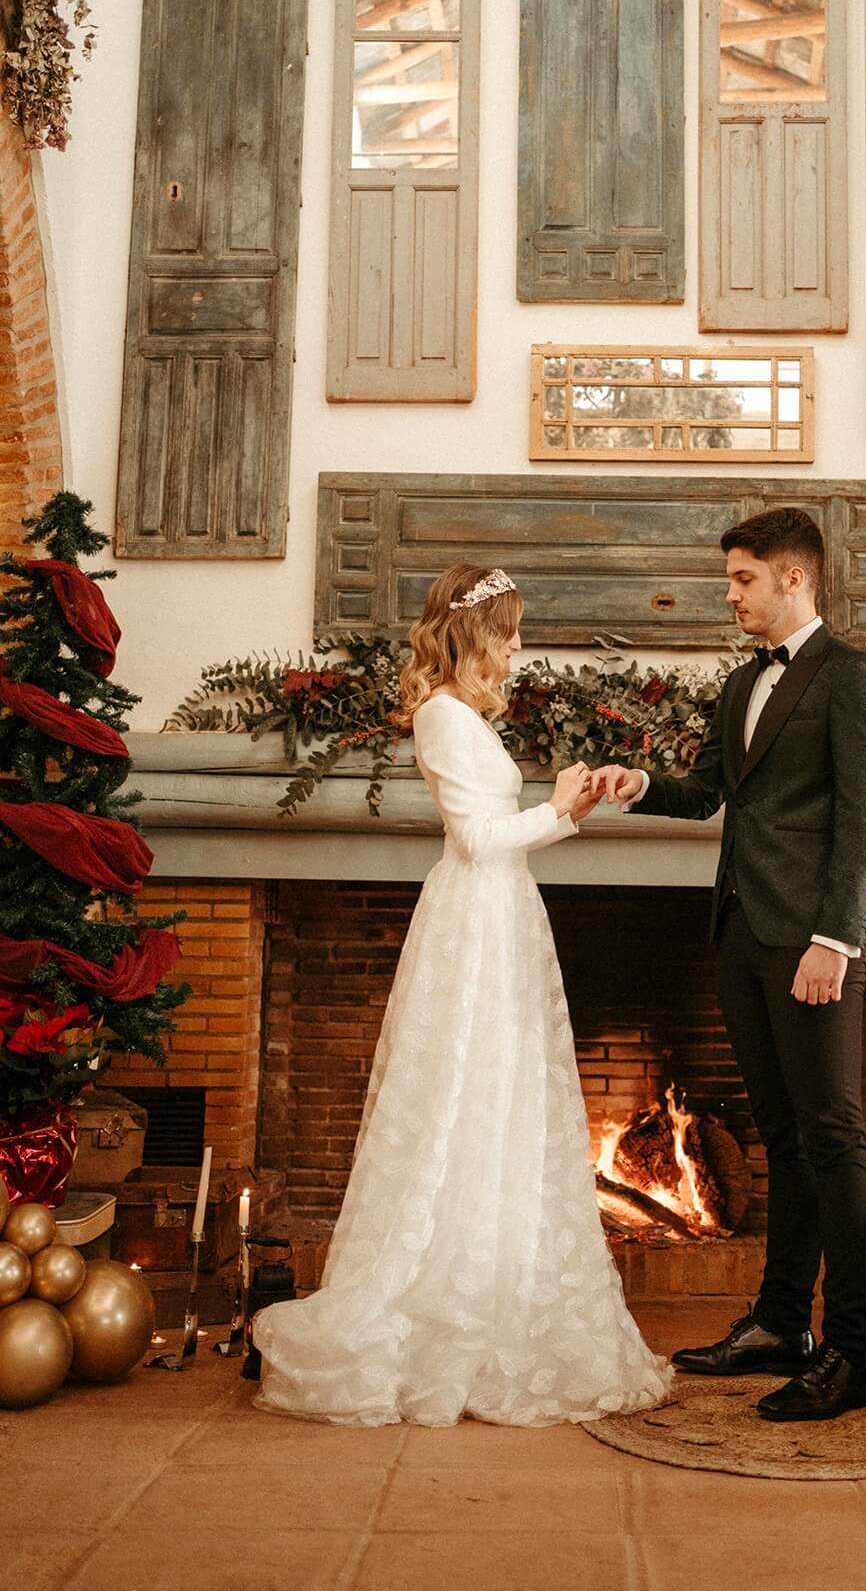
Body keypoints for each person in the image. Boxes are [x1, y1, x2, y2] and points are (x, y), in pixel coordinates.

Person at [254, 564, 672, 1428]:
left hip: (501, 914)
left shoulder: (466, 716)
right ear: (473, 634)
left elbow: (502, 837)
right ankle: (447, 1302)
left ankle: (496, 1280)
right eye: (508, 629)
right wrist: (559, 808)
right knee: (463, 1094)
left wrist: (570, 810)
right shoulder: (442, 715)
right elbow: (479, 839)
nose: (518, 645)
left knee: (502, 1098)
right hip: (475, 922)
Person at [594, 508, 866, 1421]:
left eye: (743, 579)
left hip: (813, 944)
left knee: (835, 1136)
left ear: (793, 577)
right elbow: (708, 795)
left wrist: (835, 939)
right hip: (741, 935)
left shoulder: (851, 676)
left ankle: (849, 1355)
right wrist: (639, 786)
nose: (730, 595)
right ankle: (779, 1325)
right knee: (784, 1136)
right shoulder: (739, 684)